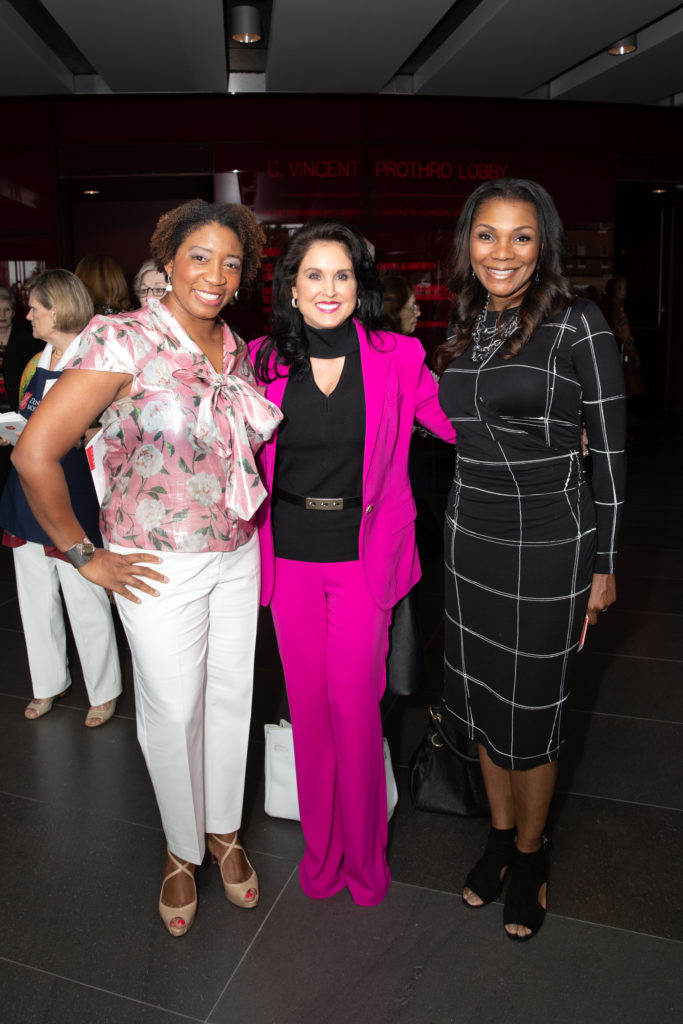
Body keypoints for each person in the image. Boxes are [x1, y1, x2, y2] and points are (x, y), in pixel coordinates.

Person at [12, 200, 282, 937]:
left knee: (231, 699)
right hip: (154, 562)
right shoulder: (123, 337)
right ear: (168, 262)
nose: (215, 274)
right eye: (200, 256)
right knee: (172, 711)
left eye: (231, 263)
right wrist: (82, 555)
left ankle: (223, 832)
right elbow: (35, 454)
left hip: (237, 552)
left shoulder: (234, 347)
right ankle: (179, 847)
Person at [434, 179, 626, 941]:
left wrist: (604, 564)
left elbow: (610, 453)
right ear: (467, 243)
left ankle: (529, 852)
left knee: (532, 710)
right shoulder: (465, 320)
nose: (502, 252)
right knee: (484, 699)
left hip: (548, 542)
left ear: (543, 243)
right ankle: (496, 836)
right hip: (468, 539)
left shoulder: (577, 323)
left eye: (520, 236)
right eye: (486, 234)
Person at [250, 222, 455, 906]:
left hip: (365, 556)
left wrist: (542, 426)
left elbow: (453, 421)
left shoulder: (397, 354)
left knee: (356, 708)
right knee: (309, 711)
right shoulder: (260, 360)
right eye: (313, 274)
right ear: (291, 288)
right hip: (289, 556)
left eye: (341, 275)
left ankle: (366, 859)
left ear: (359, 286)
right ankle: (323, 851)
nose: (328, 288)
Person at [0, 271, 122, 726]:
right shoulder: (37, 361)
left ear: (57, 310)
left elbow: (117, 427)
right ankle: (47, 683)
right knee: (35, 600)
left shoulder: (96, 360)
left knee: (85, 595)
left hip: (74, 495)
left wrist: (85, 434)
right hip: (26, 492)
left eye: (35, 307)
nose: (27, 314)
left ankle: (104, 690)